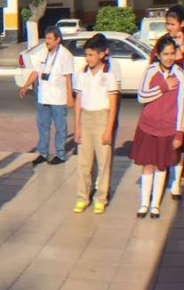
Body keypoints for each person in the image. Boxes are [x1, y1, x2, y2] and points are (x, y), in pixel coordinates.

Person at [132, 36, 184, 219]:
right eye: (165, 54)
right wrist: (163, 87)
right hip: (148, 127)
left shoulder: (180, 75)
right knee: (147, 165)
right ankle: (144, 203)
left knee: (161, 166)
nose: (169, 57)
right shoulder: (150, 71)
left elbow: (182, 106)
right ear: (158, 54)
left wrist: (179, 133)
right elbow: (141, 96)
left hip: (168, 130)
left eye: (172, 53)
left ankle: (155, 205)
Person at [150, 5, 184, 199]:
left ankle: (176, 180)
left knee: (182, 137)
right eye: (167, 24)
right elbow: (153, 63)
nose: (169, 27)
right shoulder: (162, 42)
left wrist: (182, 52)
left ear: (182, 24)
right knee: (163, 136)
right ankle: (161, 173)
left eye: (172, 24)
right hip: (165, 94)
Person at [72, 34, 121, 214]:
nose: (88, 58)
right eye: (86, 55)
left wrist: (109, 129)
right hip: (86, 118)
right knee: (84, 163)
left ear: (101, 54)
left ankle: (101, 197)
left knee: (103, 161)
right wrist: (77, 126)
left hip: (102, 118)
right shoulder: (83, 74)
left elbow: (113, 104)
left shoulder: (108, 75)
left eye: (91, 55)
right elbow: (78, 101)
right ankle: (82, 197)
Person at [19, 27, 74, 166]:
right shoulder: (44, 53)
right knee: (43, 126)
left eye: (50, 39)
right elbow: (36, 72)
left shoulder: (65, 55)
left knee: (60, 127)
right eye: (46, 38)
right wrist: (25, 86)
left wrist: (70, 96)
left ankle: (60, 154)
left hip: (58, 98)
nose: (47, 41)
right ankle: (43, 153)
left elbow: (68, 77)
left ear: (58, 39)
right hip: (43, 96)